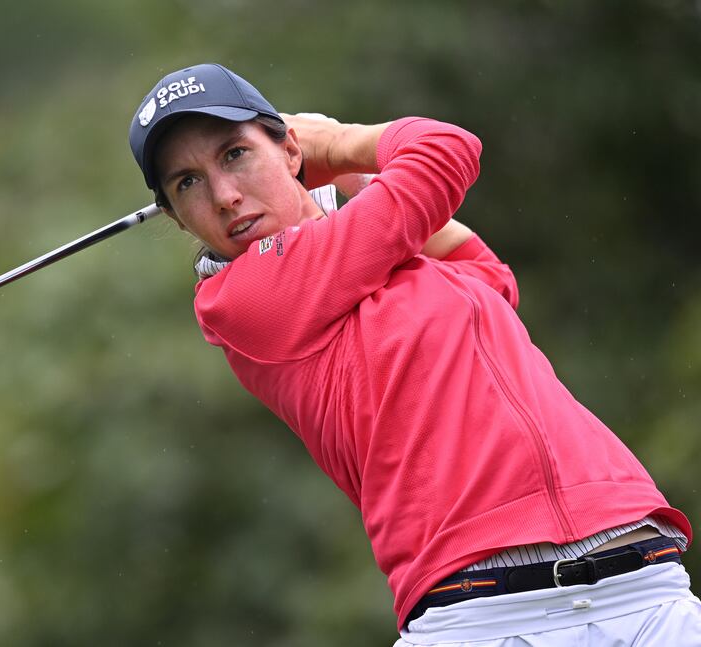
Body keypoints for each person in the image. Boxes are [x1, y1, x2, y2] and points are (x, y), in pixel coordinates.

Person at [128, 63, 700, 645]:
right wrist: (340, 144)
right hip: (485, 616)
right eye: (187, 183)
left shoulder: (373, 265)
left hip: (645, 581)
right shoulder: (239, 300)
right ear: (178, 218)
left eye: (234, 154)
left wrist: (349, 181)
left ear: (287, 149)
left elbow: (489, 280)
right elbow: (444, 151)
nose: (224, 196)